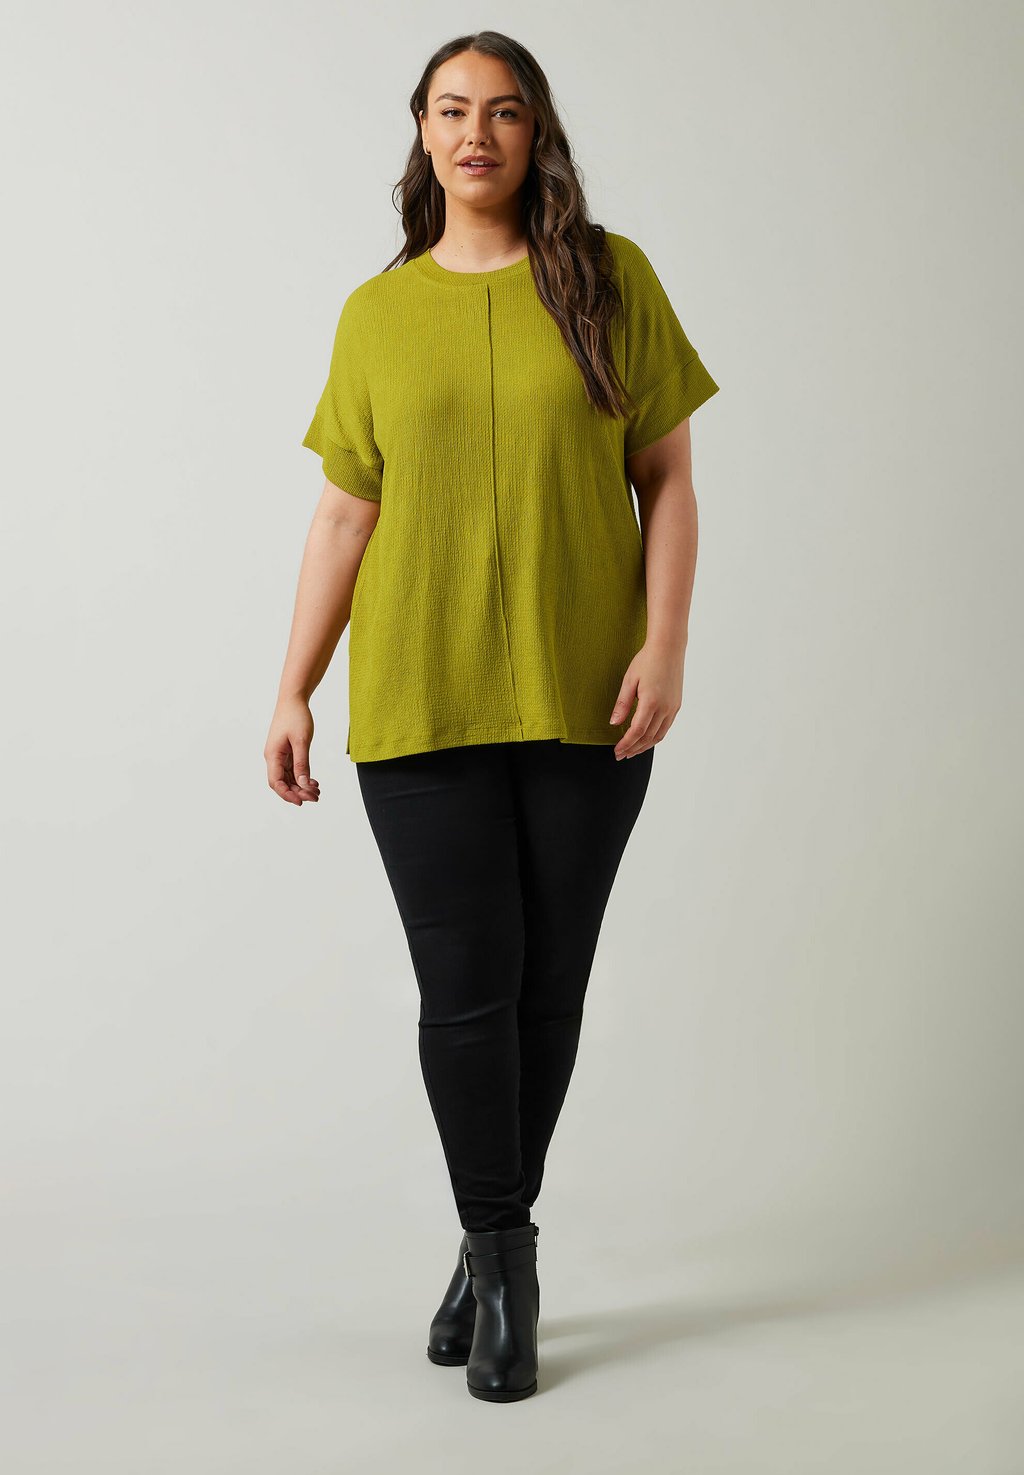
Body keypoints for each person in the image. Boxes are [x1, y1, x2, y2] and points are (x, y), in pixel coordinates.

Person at [264, 31, 719, 1403]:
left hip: (589, 691)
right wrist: (291, 685)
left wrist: (666, 645)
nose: (478, 133)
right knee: (467, 993)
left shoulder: (609, 279)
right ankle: (507, 1255)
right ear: (422, 130)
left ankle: (484, 1240)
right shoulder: (376, 314)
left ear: (536, 133)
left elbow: (667, 476)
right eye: (454, 110)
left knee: (549, 987)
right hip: (422, 694)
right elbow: (345, 512)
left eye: (505, 111)